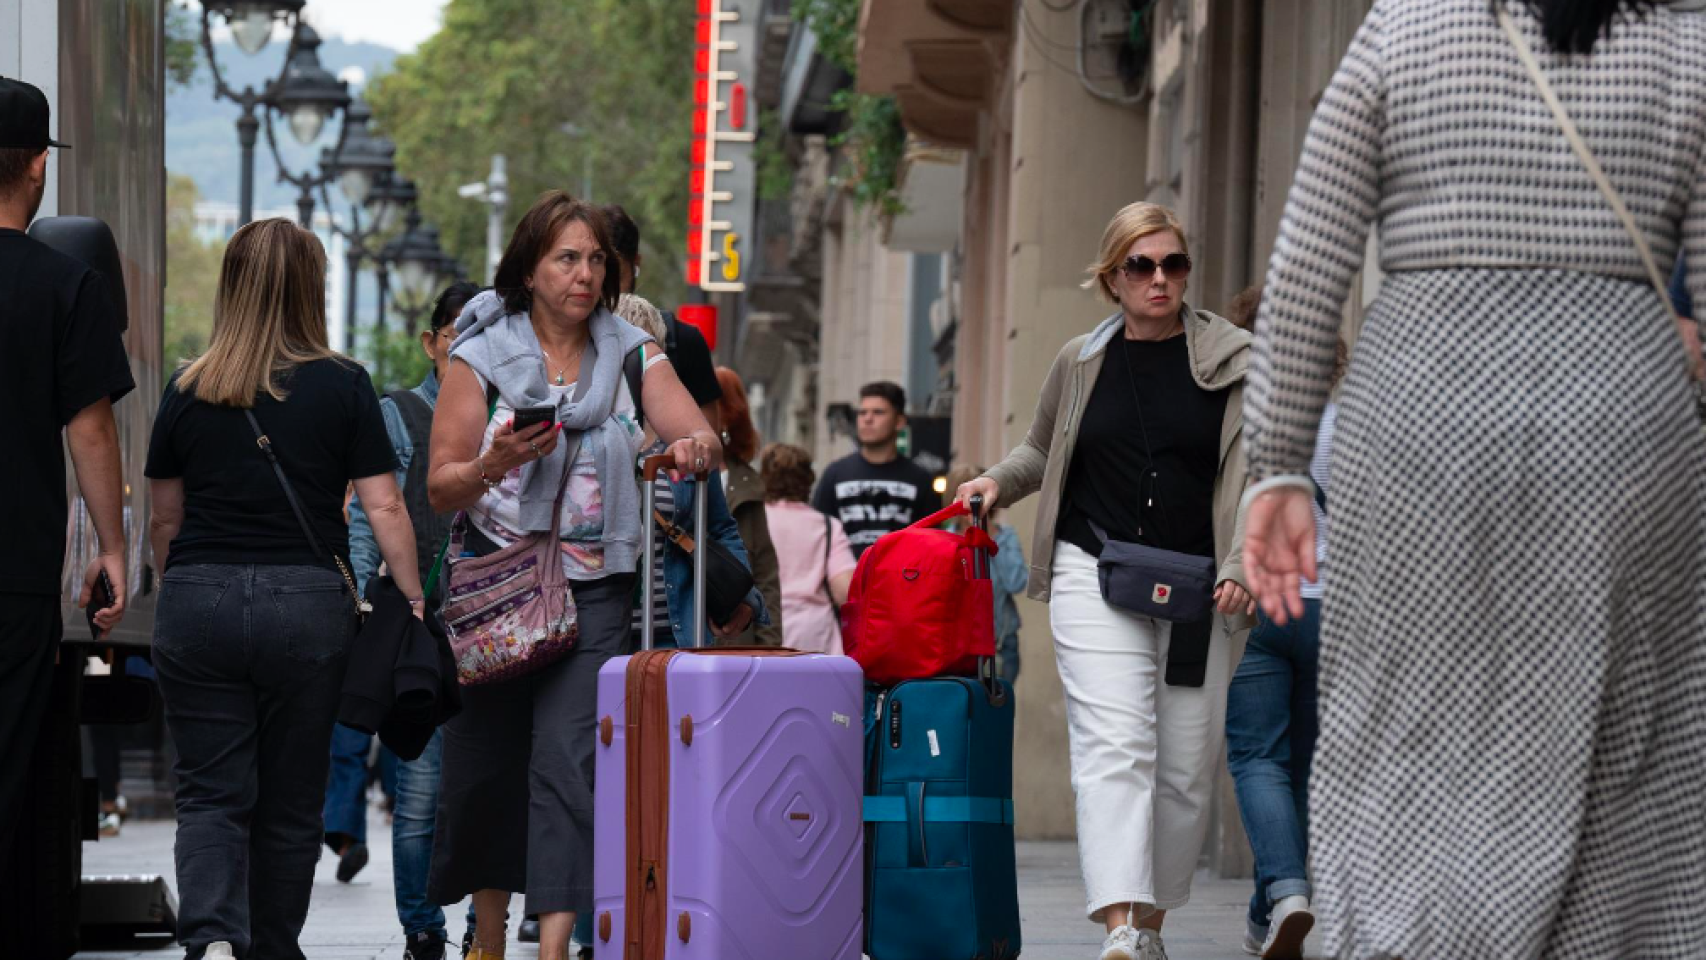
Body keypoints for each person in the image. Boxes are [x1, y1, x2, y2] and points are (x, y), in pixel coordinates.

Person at [1239, 2, 1706, 957]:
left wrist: (1278, 462)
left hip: (1417, 416)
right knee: (1628, 741)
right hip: (1623, 419)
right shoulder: (1688, 44)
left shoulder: (1405, 28)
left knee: (1401, 720)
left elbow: (1307, 264)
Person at [956, 201, 1256, 960]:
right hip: (1095, 567)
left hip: (1199, 587)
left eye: (1174, 264)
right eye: (1142, 266)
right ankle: (1120, 924)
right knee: (1116, 745)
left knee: (1185, 769)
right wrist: (993, 485)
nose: (1160, 279)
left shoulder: (1233, 362)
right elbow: (1037, 451)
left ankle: (1150, 926)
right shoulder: (1080, 361)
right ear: (1111, 278)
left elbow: (1254, 476)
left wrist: (1241, 564)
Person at [426, 191, 718, 960]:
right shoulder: (480, 355)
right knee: (485, 772)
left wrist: (690, 449)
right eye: (567, 258)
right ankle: (488, 936)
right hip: (496, 586)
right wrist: (493, 463)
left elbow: (700, 433)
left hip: (594, 588)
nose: (585, 273)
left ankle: (552, 949)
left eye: (595, 259)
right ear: (530, 267)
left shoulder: (632, 351)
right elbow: (441, 484)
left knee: (568, 766)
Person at [145, 218, 425, 960]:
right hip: (305, 608)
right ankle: (269, 947)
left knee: (209, 791)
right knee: (291, 797)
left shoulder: (185, 387)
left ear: (233, 287)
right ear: (313, 288)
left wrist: (188, 590)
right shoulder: (344, 385)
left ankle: (207, 935)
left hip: (198, 598)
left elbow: (164, 518)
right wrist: (413, 595)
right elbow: (384, 505)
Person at [0, 77, 133, 860]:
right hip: (13, 571)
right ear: (39, 168)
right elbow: (90, 431)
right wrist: (110, 551)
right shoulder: (66, 285)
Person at [344, 280, 483, 960]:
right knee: (421, 790)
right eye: (458, 328)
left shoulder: (516, 420)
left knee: (488, 782)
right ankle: (423, 928)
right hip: (422, 629)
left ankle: (487, 921)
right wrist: (366, 602)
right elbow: (373, 513)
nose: (467, 343)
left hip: (500, 625)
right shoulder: (397, 413)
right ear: (431, 343)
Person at [617, 294, 768, 649]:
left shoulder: (687, 439)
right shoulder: (583, 433)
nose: (638, 367)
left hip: (678, 633)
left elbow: (719, 525)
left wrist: (744, 598)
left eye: (649, 354)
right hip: (600, 639)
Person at [812, 381, 942, 558]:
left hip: (900, 581)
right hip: (845, 582)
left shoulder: (920, 480)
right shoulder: (835, 475)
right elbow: (819, 537)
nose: (867, 419)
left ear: (899, 422)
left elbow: (930, 546)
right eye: (862, 412)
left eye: (878, 412)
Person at [762, 444, 857, 655]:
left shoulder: (754, 522)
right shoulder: (827, 525)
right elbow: (845, 591)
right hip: (816, 634)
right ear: (808, 480)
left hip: (766, 629)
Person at [714, 366, 784, 646]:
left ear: (729, 413)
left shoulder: (747, 485)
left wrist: (769, 647)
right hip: (678, 642)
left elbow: (765, 575)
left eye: (710, 403)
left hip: (737, 645)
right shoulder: (668, 472)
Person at [943, 464, 1027, 686]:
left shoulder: (1005, 536)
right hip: (958, 644)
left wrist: (988, 535)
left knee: (998, 712)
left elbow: (1016, 583)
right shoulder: (945, 542)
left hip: (1001, 643)